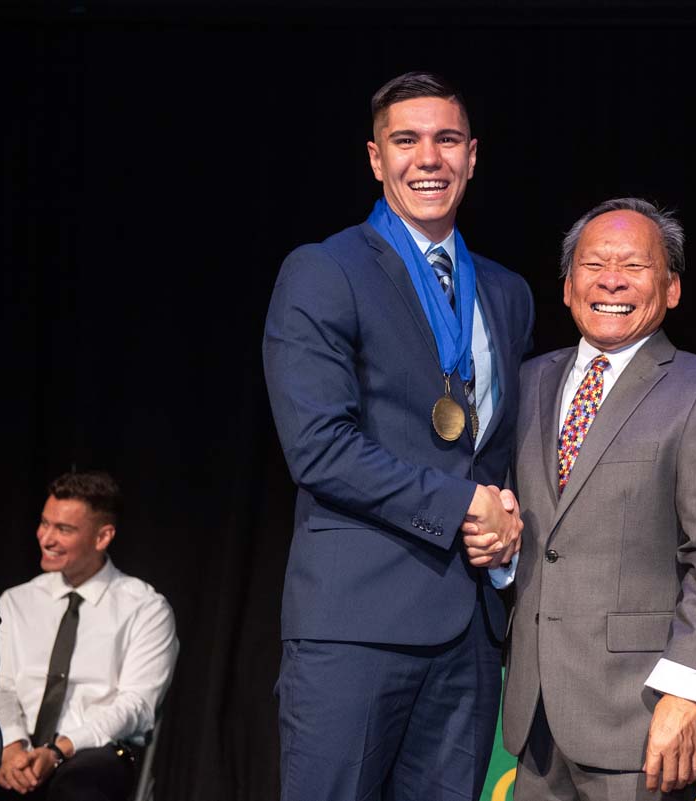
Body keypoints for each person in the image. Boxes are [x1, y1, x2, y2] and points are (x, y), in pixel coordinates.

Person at [262, 71, 534, 801]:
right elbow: (320, 448)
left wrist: (507, 524)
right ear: (376, 158)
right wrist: (463, 506)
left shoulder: (506, 291)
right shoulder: (325, 271)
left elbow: (497, 448)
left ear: (472, 155)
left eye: (447, 140)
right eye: (406, 140)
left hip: (471, 629)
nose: (429, 158)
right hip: (356, 624)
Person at [500, 198, 696, 800]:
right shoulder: (529, 381)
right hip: (536, 720)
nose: (611, 280)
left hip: (642, 720)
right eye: (594, 265)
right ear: (567, 286)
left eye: (634, 266)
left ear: (671, 289)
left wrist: (686, 691)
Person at [0, 472, 177, 801]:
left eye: (63, 529)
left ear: (102, 537)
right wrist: (12, 747)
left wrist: (59, 750)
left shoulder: (145, 608)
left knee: (81, 784)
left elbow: (136, 705)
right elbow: (1, 686)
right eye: (44, 523)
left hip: (93, 750)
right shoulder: (15, 602)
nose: (46, 538)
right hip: (18, 746)